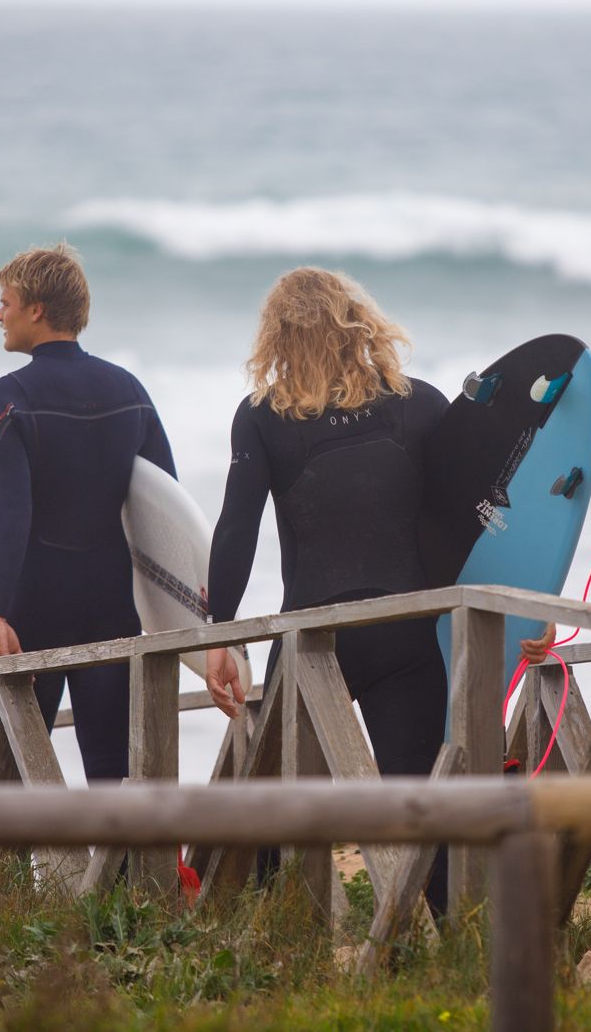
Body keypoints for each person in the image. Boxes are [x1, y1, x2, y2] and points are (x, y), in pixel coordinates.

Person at [199, 267, 458, 908]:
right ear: (358, 324)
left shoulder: (262, 418)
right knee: (420, 802)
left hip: (315, 637)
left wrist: (218, 638)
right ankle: (452, 943)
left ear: (277, 338)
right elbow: (475, 523)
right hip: (410, 634)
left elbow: (236, 532)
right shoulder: (422, 404)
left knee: (280, 802)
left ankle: (283, 935)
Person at [0, 241, 174, 785]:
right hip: (111, 608)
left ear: (36, 309)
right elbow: (164, 509)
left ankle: (6, 876)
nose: (0, 314)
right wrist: (176, 614)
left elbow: (12, 509)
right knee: (114, 771)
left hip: (33, 608)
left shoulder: (10, 393)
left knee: (13, 772)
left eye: (7, 302)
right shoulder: (129, 389)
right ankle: (123, 875)